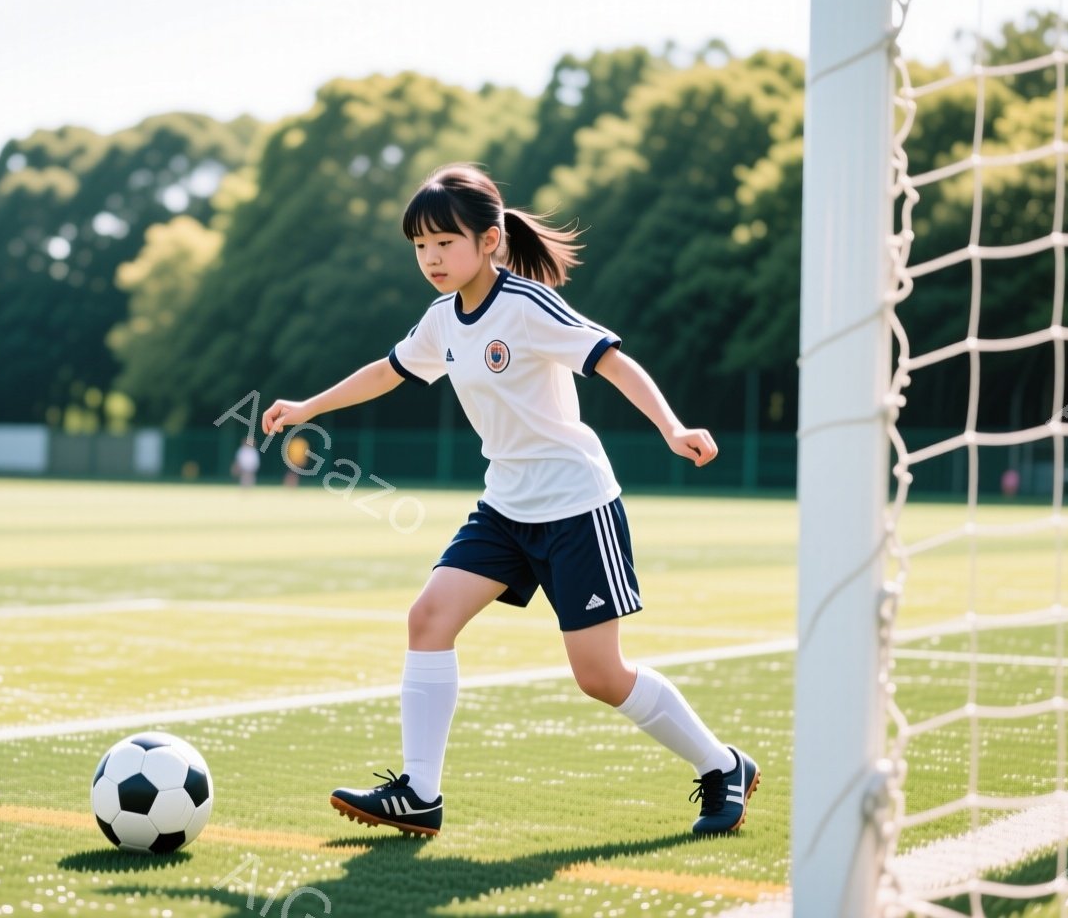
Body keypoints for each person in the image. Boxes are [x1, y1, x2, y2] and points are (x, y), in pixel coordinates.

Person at [261, 164, 757, 838]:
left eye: (445, 242)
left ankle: (722, 764)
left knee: (600, 675)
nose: (431, 258)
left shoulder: (527, 306)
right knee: (429, 618)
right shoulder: (442, 320)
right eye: (420, 246)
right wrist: (306, 407)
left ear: (489, 240)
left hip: (577, 507)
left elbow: (612, 358)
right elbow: (390, 370)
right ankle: (420, 793)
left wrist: (672, 427)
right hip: (505, 508)